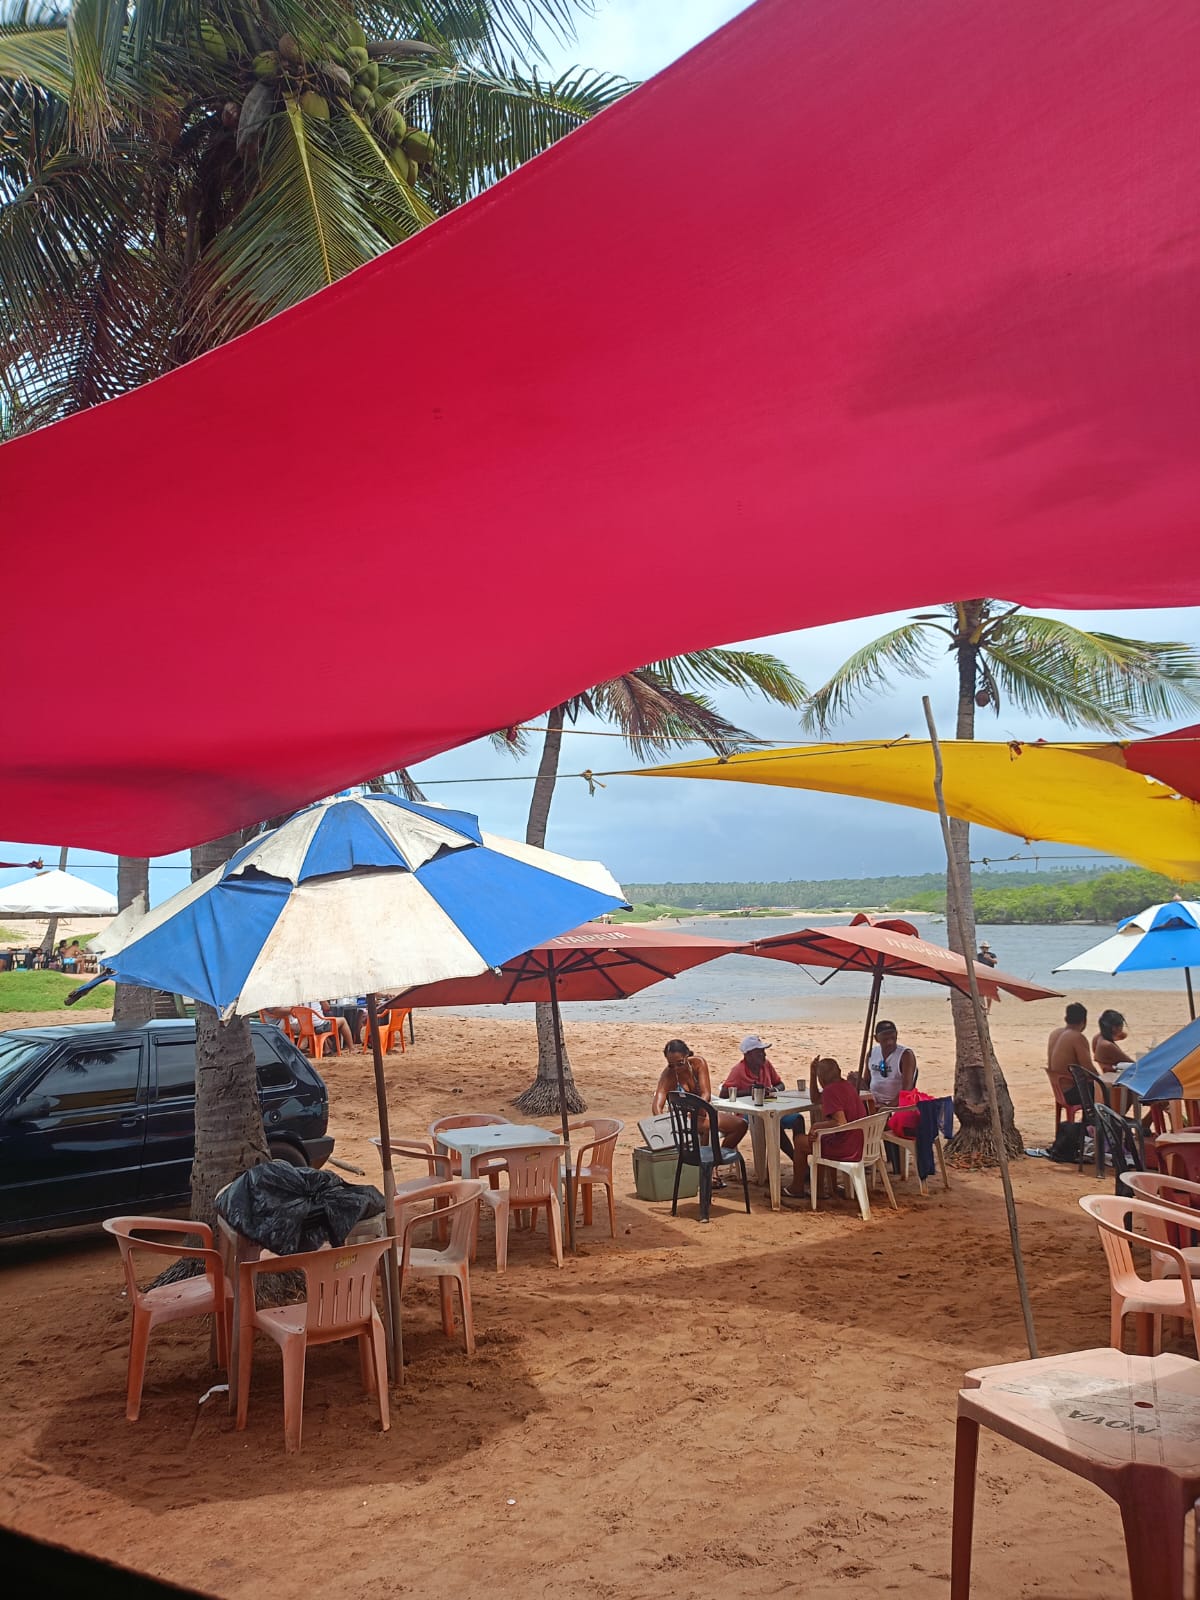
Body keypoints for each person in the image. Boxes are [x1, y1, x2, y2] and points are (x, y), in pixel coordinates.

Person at [783, 1057, 865, 1200]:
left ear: (821, 1079)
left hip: (846, 1147)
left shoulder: (830, 1091)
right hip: (858, 1142)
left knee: (800, 1142)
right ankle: (820, 1189)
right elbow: (815, 1099)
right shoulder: (847, 1086)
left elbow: (840, 1122)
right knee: (819, 1139)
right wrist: (812, 1074)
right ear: (839, 1071)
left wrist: (816, 1126)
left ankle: (797, 1187)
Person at [652, 1038, 748, 1153]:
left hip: (702, 1112)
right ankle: (706, 1159)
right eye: (671, 1065)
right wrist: (665, 1122)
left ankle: (719, 1156)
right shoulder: (668, 1075)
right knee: (706, 1129)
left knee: (741, 1125)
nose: (676, 1068)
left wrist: (696, 1110)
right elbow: (657, 1105)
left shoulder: (698, 1064)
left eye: (680, 1063)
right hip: (682, 1118)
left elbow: (706, 1094)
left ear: (687, 1055)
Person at [865, 1020, 916, 1108]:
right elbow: (867, 1081)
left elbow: (907, 1088)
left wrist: (887, 1108)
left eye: (893, 1038)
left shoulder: (905, 1055)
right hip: (872, 1102)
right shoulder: (872, 1053)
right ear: (876, 1038)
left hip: (895, 1105)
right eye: (885, 1039)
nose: (890, 1042)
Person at [1047, 1003, 1092, 1094]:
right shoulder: (1077, 1037)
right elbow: (1088, 1070)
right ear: (1084, 1021)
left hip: (1059, 1089)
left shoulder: (1054, 1033)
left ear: (1065, 1019)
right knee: (1112, 1091)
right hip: (1073, 1091)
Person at [976, 940, 998, 1012]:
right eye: (983, 948)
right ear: (981, 948)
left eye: (986, 948)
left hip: (990, 975)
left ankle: (988, 1009)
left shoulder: (992, 955)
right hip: (980, 975)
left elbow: (996, 962)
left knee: (989, 993)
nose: (984, 949)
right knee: (980, 993)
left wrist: (989, 958)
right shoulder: (978, 956)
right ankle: (982, 1007)